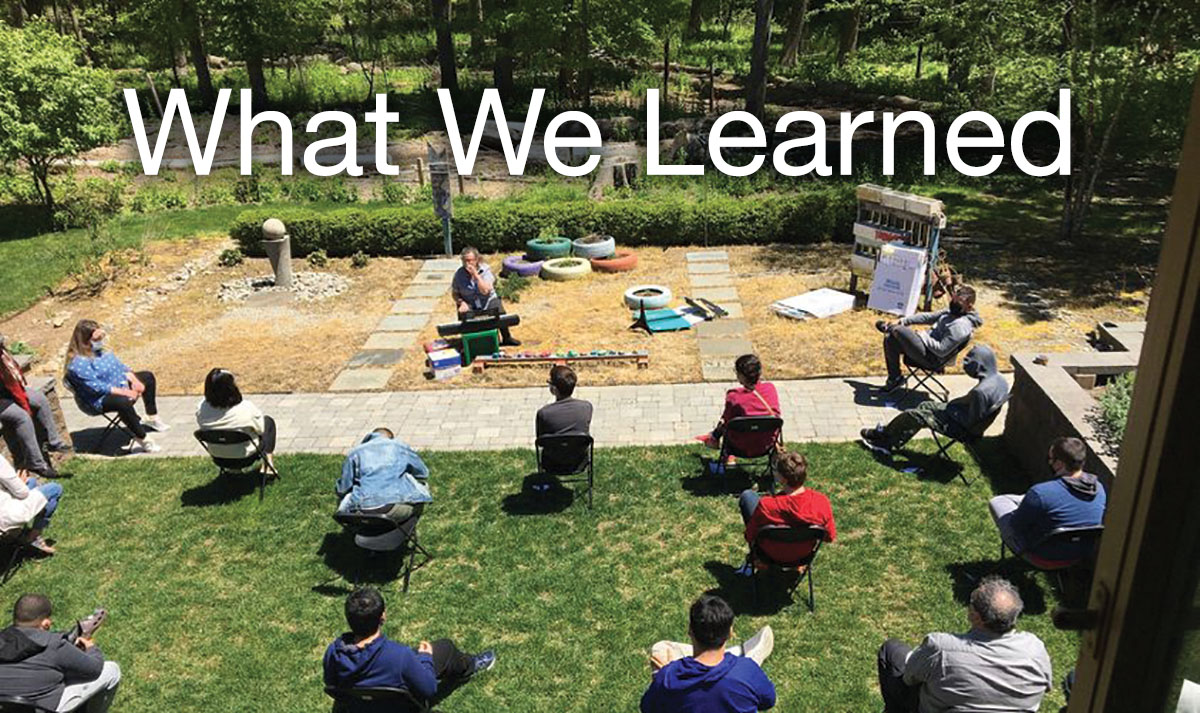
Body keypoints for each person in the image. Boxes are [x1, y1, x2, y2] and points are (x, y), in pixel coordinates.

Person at [877, 576, 1051, 713]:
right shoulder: (1035, 649)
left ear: (976, 617)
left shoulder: (942, 648)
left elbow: (909, 677)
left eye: (971, 604)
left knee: (892, 651)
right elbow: (1046, 687)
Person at [323, 587, 495, 709]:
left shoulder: (333, 652)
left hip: (360, 707)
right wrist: (426, 658)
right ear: (382, 617)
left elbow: (332, 686)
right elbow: (429, 689)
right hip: (399, 707)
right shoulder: (399, 656)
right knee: (445, 647)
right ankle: (471, 665)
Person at [860, 344, 1007, 456]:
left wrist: (951, 409)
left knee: (915, 415)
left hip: (962, 429)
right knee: (925, 404)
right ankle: (889, 435)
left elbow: (970, 423)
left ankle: (885, 442)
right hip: (960, 415)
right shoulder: (1000, 380)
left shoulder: (980, 392)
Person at [640, 595, 775, 713]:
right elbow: (768, 701)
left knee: (661, 648)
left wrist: (662, 675)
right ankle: (741, 652)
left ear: (690, 631)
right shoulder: (747, 671)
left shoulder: (668, 678)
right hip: (739, 671)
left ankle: (738, 651)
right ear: (730, 633)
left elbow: (648, 709)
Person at [989, 437, 1107, 564]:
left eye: (1051, 459)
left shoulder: (1042, 492)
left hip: (1040, 556)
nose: (1049, 462)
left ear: (1060, 464)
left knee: (998, 502)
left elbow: (1016, 526)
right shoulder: (1100, 489)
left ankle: (1028, 503)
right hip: (1076, 556)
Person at [0, 593, 122, 712]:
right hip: (43, 708)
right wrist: (91, 647)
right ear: (46, 623)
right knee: (112, 670)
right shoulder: (53, 644)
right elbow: (94, 669)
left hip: (7, 706)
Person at [63, 320, 167, 455]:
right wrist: (126, 392)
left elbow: (121, 368)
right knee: (122, 403)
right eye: (97, 338)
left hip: (119, 385)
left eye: (101, 337)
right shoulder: (78, 363)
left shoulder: (101, 351)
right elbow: (97, 388)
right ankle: (142, 438)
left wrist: (135, 381)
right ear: (85, 340)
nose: (100, 341)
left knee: (147, 377)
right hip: (97, 399)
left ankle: (152, 417)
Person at [737, 451, 836, 575]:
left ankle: (759, 561)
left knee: (748, 496)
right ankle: (796, 567)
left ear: (783, 479)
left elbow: (749, 536)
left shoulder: (767, 505)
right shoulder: (821, 502)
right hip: (802, 555)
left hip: (769, 554)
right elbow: (830, 537)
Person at [876, 285, 982, 392]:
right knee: (890, 338)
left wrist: (921, 336)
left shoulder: (961, 326)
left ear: (969, 306)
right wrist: (902, 321)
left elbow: (941, 350)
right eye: (953, 299)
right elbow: (928, 317)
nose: (953, 303)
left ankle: (889, 327)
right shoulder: (952, 312)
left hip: (932, 358)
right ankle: (895, 379)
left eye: (958, 302)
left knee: (898, 331)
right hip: (924, 348)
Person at [0, 335, 71, 478]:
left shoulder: (3, 353)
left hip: (9, 390)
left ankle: (53, 441)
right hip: (2, 398)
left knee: (40, 399)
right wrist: (23, 402)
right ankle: (36, 463)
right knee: (22, 417)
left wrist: (23, 386)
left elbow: (13, 374)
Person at [695, 354, 780, 465]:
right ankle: (715, 440)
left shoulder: (734, 397)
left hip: (739, 447)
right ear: (759, 373)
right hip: (766, 444)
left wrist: (717, 432)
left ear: (741, 376)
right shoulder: (770, 389)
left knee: (727, 424)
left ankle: (716, 442)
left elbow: (726, 421)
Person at [336, 429, 431, 524]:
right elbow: (422, 473)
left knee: (349, 493)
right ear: (391, 438)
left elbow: (342, 489)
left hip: (361, 512)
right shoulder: (399, 446)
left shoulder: (355, 452)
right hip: (394, 510)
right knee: (418, 484)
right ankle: (407, 530)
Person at [195, 369, 278, 476]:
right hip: (246, 457)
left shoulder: (201, 409)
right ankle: (268, 465)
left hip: (219, 458)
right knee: (268, 422)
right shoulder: (245, 408)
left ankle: (233, 471)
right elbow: (261, 429)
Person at [451, 246, 520, 346]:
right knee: (464, 312)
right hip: (470, 303)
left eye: (470, 261)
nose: (467, 264)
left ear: (477, 260)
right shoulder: (459, 275)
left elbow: (485, 291)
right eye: (465, 261)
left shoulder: (485, 270)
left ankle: (506, 337)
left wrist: (476, 275)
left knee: (497, 307)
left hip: (487, 300)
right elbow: (455, 293)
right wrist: (461, 302)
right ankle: (470, 342)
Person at [535, 365, 593, 476]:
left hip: (551, 463)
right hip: (579, 461)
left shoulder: (544, 413)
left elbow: (541, 441)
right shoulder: (586, 407)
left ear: (554, 389)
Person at [0, 454, 61, 556]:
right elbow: (22, 493)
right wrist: (20, 482)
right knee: (55, 489)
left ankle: (17, 534)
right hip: (6, 516)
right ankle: (32, 538)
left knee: (31, 482)